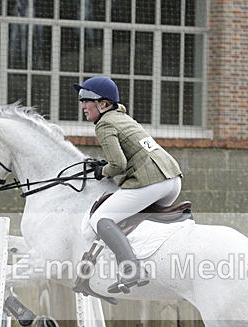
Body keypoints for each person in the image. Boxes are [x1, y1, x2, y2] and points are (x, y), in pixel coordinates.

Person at [74, 76, 183, 294]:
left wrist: (101, 172)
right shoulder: (123, 118)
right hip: (172, 180)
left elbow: (118, 163)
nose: (83, 105)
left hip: (151, 182)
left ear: (103, 104)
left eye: (87, 99)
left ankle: (131, 270)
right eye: (81, 99)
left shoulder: (104, 124)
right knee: (126, 221)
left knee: (100, 219)